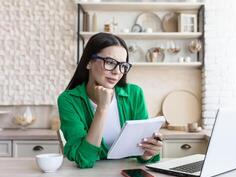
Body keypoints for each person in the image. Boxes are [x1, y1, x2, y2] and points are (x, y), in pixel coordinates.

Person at [57, 32, 162, 168]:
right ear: (89, 62)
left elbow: (140, 152)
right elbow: (84, 159)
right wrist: (102, 108)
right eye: (110, 62)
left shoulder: (134, 94)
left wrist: (148, 152)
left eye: (122, 65)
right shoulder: (69, 100)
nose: (117, 71)